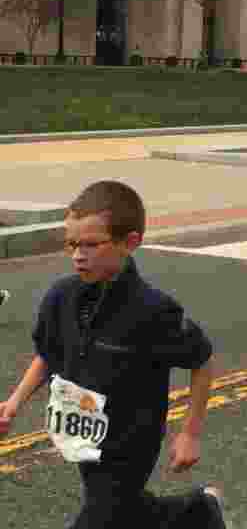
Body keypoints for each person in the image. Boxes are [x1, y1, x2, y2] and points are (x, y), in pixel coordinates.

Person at [0, 181, 228, 528]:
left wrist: (190, 433)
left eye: (91, 244)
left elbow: (201, 360)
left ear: (130, 243)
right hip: (82, 431)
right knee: (121, 512)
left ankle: (196, 512)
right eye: (72, 244)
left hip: (131, 440)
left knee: (101, 516)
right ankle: (199, 512)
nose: (78, 254)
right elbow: (48, 353)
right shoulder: (60, 297)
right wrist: (13, 403)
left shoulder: (153, 310)